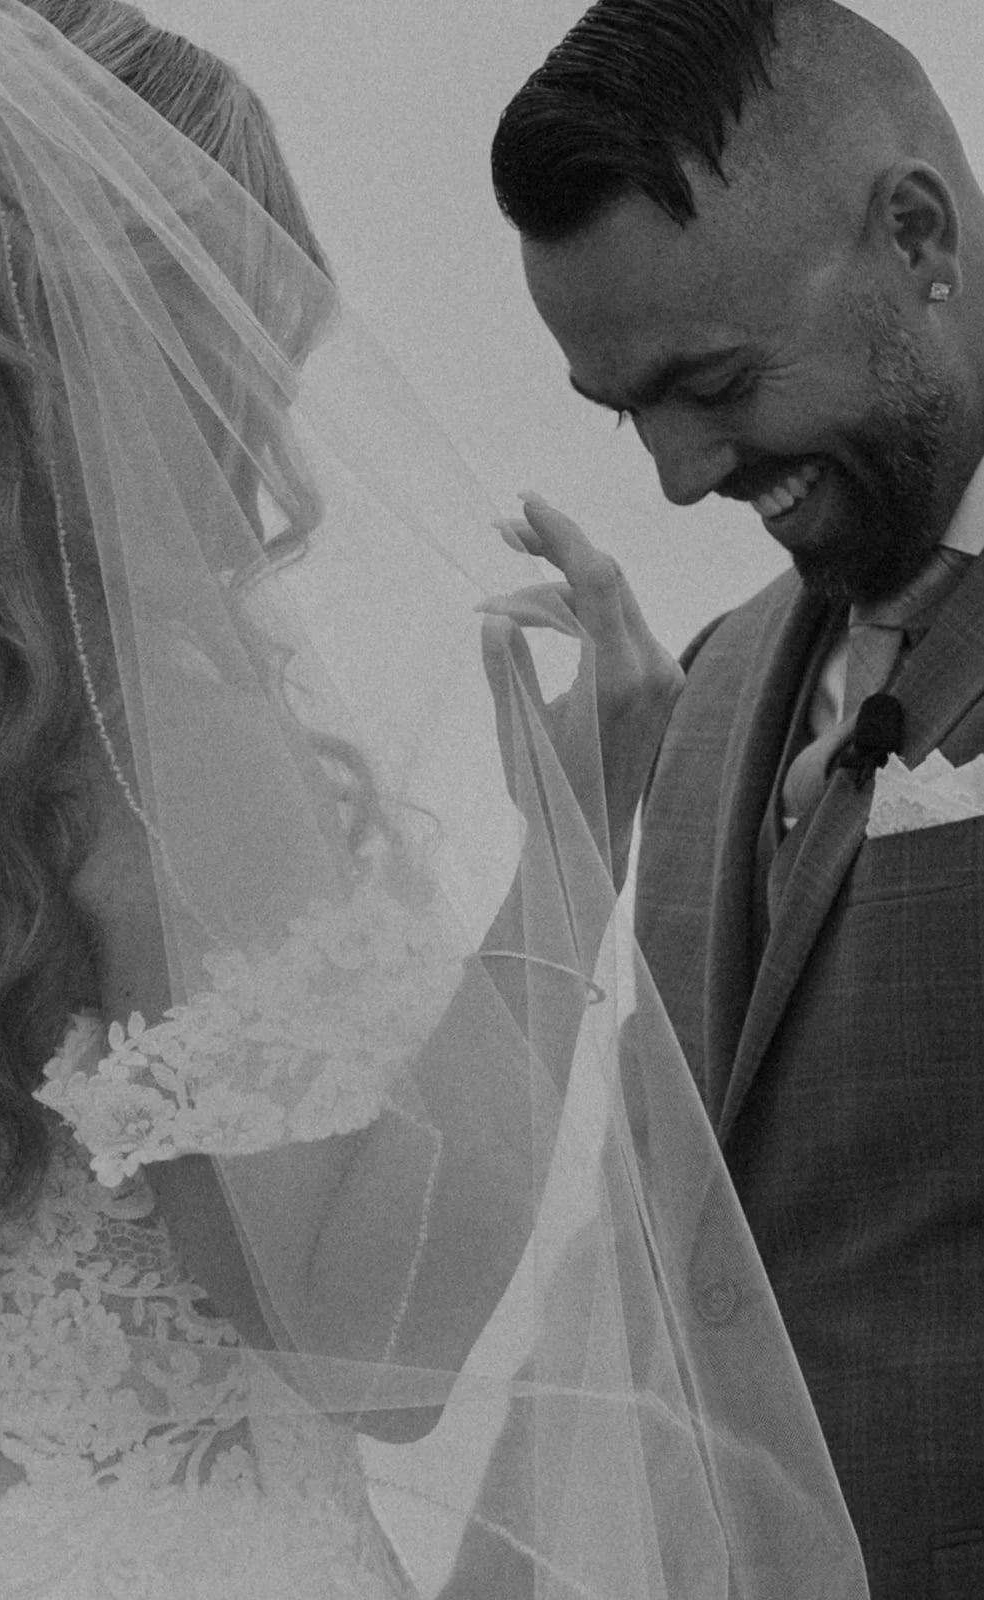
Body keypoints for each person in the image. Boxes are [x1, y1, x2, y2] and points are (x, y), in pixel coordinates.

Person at [0, 2, 869, 1597]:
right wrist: (577, 827)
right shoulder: (162, 748)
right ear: (142, 340)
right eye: (248, 331)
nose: (275, 414)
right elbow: (381, 1342)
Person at [490, 0, 984, 1595]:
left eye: (712, 379)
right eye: (625, 409)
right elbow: (649, 1250)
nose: (680, 474)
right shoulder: (703, 689)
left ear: (918, 233)